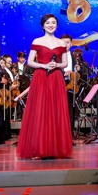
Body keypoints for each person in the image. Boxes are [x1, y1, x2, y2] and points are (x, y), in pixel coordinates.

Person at [16, 14, 73, 159]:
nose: (51, 25)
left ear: (57, 25)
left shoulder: (61, 43)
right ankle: (39, 147)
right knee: (40, 109)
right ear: (43, 25)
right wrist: (44, 65)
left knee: (55, 110)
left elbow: (65, 63)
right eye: (48, 23)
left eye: (53, 23)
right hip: (41, 77)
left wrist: (56, 65)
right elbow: (30, 61)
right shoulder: (37, 41)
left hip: (56, 78)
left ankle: (54, 148)